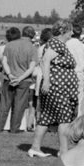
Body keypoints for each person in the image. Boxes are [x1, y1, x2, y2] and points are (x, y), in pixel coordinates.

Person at [28, 21, 79, 157]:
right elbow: (45, 60)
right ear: (63, 31)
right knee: (64, 118)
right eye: (70, 31)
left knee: (46, 117)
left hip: (58, 87)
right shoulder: (56, 43)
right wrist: (47, 82)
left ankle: (35, 147)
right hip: (58, 88)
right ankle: (63, 151)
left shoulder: (56, 44)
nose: (72, 33)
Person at [0, 26, 37, 134]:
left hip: (8, 78)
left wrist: (9, 74)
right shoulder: (32, 48)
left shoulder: (9, 45)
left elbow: (4, 62)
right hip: (24, 79)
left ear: (23, 33)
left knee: (4, 103)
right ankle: (14, 128)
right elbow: (31, 67)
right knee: (19, 105)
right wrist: (20, 78)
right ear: (33, 36)